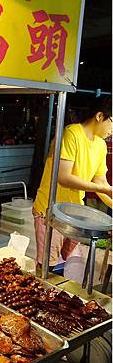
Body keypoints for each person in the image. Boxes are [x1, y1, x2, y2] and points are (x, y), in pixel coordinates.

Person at [33, 96, 112, 269]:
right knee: (47, 264)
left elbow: (101, 184)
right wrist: (104, 188)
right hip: (50, 210)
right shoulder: (71, 134)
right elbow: (64, 177)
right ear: (99, 116)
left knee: (69, 262)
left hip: (74, 212)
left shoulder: (100, 145)